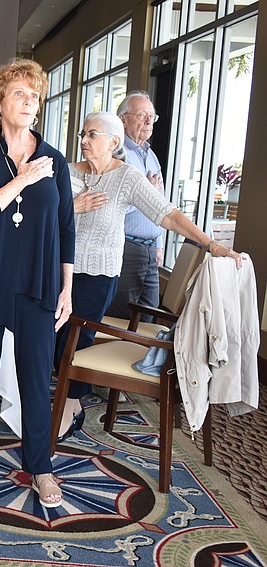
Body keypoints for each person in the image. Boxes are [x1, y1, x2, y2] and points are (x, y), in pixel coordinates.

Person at [53, 111, 244, 440]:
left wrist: (211, 244)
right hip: (58, 271)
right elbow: (41, 219)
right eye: (82, 134)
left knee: (75, 340)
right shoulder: (67, 173)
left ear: (113, 142)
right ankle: (62, 398)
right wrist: (72, 207)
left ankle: (69, 404)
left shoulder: (126, 178)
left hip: (97, 276)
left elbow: (167, 215)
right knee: (52, 340)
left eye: (92, 134)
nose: (83, 140)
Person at [0, 58, 74, 508]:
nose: (29, 102)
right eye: (19, 95)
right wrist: (22, 180)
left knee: (34, 375)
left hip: (39, 280)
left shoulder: (56, 160)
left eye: (35, 96)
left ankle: (40, 466)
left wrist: (66, 287)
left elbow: (66, 226)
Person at [105, 91, 167, 321]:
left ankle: (141, 358)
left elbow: (159, 204)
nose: (148, 121)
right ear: (123, 119)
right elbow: (109, 204)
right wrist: (146, 194)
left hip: (150, 251)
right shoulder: (116, 156)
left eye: (152, 116)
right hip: (126, 248)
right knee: (122, 316)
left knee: (148, 316)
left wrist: (158, 243)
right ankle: (107, 357)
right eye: (142, 115)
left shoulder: (151, 156)